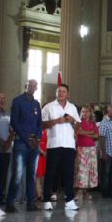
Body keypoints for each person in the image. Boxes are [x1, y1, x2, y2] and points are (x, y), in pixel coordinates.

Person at [41, 83, 80, 211]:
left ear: (67, 94)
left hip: (69, 144)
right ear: (56, 93)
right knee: (51, 172)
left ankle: (69, 200)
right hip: (54, 144)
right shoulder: (48, 107)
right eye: (59, 91)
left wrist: (72, 121)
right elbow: (42, 124)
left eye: (63, 91)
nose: (61, 93)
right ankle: (47, 199)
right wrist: (56, 121)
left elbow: (78, 125)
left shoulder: (72, 107)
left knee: (69, 173)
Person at [7, 80, 42, 212]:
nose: (33, 88)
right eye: (30, 86)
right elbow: (14, 122)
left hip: (34, 143)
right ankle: (10, 202)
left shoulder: (36, 103)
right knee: (18, 173)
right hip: (21, 142)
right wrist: (27, 139)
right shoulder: (17, 101)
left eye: (35, 86)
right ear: (25, 86)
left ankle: (31, 203)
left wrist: (37, 138)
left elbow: (40, 123)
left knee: (32, 174)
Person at [0, 93, 13, 210]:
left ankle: (1, 196)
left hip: (6, 149)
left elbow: (12, 131)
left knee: (4, 174)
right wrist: (2, 143)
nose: (1, 100)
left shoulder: (8, 114)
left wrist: (8, 143)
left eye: (3, 98)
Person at [75, 105, 100, 198]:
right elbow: (78, 131)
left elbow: (96, 135)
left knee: (90, 169)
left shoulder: (93, 124)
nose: (85, 113)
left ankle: (85, 190)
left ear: (90, 113)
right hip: (82, 148)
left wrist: (86, 133)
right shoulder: (79, 122)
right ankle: (80, 190)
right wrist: (90, 133)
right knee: (81, 169)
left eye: (86, 112)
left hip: (91, 148)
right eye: (83, 111)